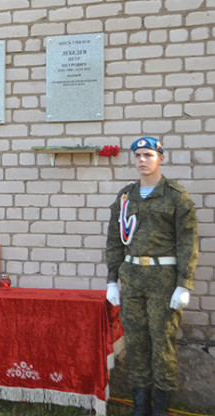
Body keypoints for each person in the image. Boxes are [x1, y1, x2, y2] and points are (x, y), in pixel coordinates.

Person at [105, 137, 198, 416]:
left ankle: (161, 408)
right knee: (135, 342)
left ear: (161, 158)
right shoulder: (125, 197)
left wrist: (184, 283)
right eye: (137, 156)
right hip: (132, 278)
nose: (142, 160)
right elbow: (114, 240)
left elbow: (187, 242)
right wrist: (112, 279)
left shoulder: (176, 196)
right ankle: (140, 405)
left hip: (164, 279)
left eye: (148, 155)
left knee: (162, 342)